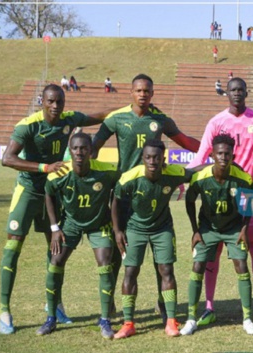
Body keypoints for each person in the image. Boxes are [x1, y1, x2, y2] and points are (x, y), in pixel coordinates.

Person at [0, 84, 116, 334]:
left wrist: (129, 109)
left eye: (59, 101)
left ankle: (54, 307)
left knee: (54, 250)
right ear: (42, 101)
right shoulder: (28, 125)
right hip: (29, 191)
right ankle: (4, 310)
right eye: (50, 101)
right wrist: (43, 168)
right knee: (13, 247)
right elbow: (7, 159)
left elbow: (99, 116)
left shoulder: (69, 119)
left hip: (54, 193)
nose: (55, 106)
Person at [92, 73, 199, 322]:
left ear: (152, 93)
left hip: (152, 194)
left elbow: (184, 140)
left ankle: (163, 304)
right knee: (117, 252)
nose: (143, 94)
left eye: (147, 91)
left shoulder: (159, 119)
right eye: (139, 90)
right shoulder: (117, 118)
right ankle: (108, 306)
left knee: (159, 256)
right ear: (132, 92)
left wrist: (210, 148)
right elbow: (95, 144)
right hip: (124, 195)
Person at [186, 77, 253, 327]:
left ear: (247, 92)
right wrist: (184, 177)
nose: (237, 93)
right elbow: (201, 155)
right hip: (220, 191)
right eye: (232, 90)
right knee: (211, 252)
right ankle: (209, 307)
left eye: (240, 90)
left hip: (250, 192)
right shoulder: (216, 122)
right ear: (226, 93)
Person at [36, 132, 120, 339]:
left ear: (91, 151)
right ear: (70, 151)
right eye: (75, 148)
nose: (80, 152)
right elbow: (48, 194)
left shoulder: (107, 171)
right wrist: (55, 228)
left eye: (84, 148)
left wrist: (115, 219)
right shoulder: (59, 174)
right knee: (55, 261)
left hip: (98, 224)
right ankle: (51, 318)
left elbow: (123, 185)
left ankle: (105, 319)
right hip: (71, 224)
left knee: (105, 263)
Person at [112, 139, 194, 339]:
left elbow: (194, 173)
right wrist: (117, 230)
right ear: (142, 158)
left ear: (163, 159)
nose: (152, 161)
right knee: (130, 271)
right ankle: (129, 323)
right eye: (148, 157)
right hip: (135, 228)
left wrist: (219, 165)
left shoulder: (172, 173)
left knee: (167, 270)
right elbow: (115, 200)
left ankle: (171, 320)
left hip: (162, 228)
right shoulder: (130, 178)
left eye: (156, 157)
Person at [180, 134, 253, 336]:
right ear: (212, 155)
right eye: (219, 153)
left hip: (233, 229)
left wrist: (243, 229)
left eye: (227, 153)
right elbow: (189, 201)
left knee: (241, 265)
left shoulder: (242, 178)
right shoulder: (201, 177)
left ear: (233, 155)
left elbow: (249, 204)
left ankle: (247, 318)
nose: (223, 157)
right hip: (208, 229)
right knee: (198, 265)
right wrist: (195, 230)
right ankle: (190, 318)